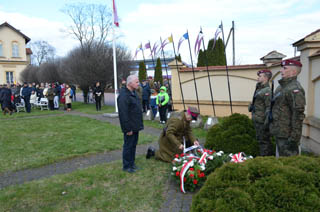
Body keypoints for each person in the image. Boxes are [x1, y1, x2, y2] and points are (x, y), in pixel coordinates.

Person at [269, 59, 306, 157]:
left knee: (288, 165)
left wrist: (293, 139)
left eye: (285, 68)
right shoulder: (282, 87)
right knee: (280, 161)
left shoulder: (295, 89)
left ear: (293, 72)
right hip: (280, 132)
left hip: (288, 136)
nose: (281, 71)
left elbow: (298, 115)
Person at [117, 75, 144, 173]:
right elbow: (123, 114)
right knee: (128, 146)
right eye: (136, 82)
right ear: (130, 83)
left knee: (133, 145)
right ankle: (127, 166)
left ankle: (132, 164)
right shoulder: (124, 96)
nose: (138, 83)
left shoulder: (134, 93)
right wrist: (127, 129)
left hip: (135, 125)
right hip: (130, 127)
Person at [249, 69, 273, 156]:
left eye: (260, 76)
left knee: (264, 141)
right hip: (257, 118)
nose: (258, 78)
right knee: (261, 140)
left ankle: (266, 159)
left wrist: (266, 123)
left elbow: (268, 107)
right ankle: (264, 157)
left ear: (266, 78)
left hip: (262, 120)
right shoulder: (259, 89)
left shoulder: (267, 91)